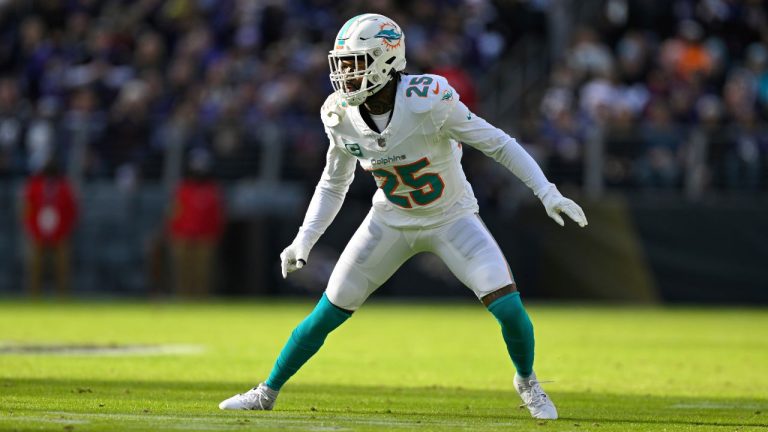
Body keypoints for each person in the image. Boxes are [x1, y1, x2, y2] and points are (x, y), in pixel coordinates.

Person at [219, 14, 587, 420]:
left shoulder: (429, 101)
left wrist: (546, 191)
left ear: (386, 60)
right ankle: (266, 391)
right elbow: (332, 184)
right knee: (326, 313)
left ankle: (527, 381)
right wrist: (303, 240)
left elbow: (498, 144)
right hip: (390, 220)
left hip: (452, 218)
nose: (345, 74)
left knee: (510, 309)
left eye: (355, 62)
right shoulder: (339, 114)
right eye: (341, 64)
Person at [167, 149, 225, 297]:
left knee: (202, 271)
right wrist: (174, 233)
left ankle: (201, 299)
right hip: (183, 236)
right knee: (182, 270)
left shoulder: (213, 190)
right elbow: (174, 213)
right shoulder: (182, 189)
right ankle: (182, 297)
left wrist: (214, 235)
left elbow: (217, 215)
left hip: (205, 237)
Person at [21, 156, 78, 297]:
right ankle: (34, 295)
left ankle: (62, 295)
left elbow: (72, 211)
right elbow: (26, 209)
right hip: (37, 233)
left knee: (62, 266)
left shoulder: (64, 187)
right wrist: (32, 230)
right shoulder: (34, 185)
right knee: (34, 265)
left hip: (60, 234)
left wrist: (64, 231)